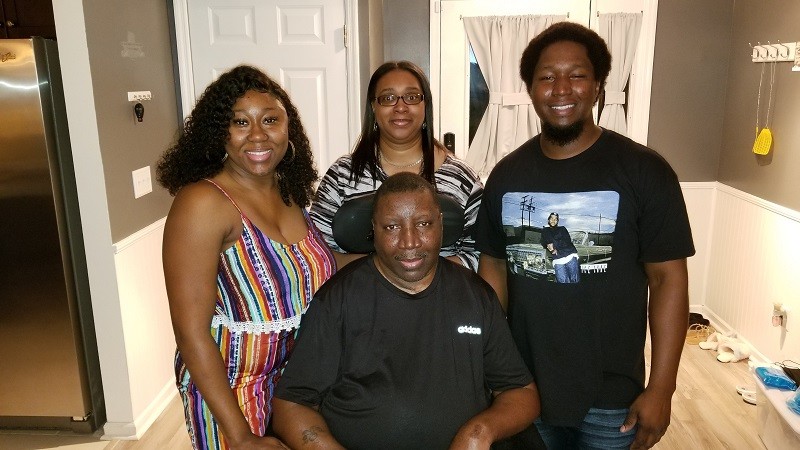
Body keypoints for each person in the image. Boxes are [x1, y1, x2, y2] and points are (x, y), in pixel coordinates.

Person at [475, 22, 695, 450]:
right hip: (523, 390)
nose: (561, 89)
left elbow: (667, 280)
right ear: (530, 88)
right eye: (546, 77)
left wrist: (662, 388)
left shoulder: (645, 172)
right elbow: (494, 271)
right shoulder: (506, 176)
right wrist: (487, 368)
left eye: (576, 75)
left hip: (611, 397)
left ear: (598, 86)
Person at [272, 173, 543, 450]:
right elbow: (291, 405)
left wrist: (480, 432)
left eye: (423, 224)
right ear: (373, 229)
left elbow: (520, 392)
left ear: (440, 223)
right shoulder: (337, 299)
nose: (410, 242)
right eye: (392, 227)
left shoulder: (475, 295)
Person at [157, 65, 336, 450]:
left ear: (289, 129)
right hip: (231, 386)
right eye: (240, 122)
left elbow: (310, 269)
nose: (258, 135)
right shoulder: (203, 204)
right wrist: (239, 437)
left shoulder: (291, 193)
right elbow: (190, 333)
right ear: (219, 133)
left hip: (294, 381)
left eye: (270, 120)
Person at [309, 60, 483, 270]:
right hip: (361, 297)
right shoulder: (343, 174)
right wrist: (383, 269)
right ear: (374, 107)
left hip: (440, 299)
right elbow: (317, 251)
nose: (401, 107)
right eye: (388, 98)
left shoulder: (461, 177)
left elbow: (479, 254)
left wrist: (420, 274)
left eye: (411, 97)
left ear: (425, 105)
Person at [541, 212, 580, 283]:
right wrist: (550, 247)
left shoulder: (562, 229)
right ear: (548, 220)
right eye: (551, 218)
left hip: (570, 255)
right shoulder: (545, 230)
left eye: (555, 219)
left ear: (557, 221)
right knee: (562, 280)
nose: (553, 220)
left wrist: (555, 249)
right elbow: (544, 242)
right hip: (557, 259)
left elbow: (567, 241)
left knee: (574, 279)